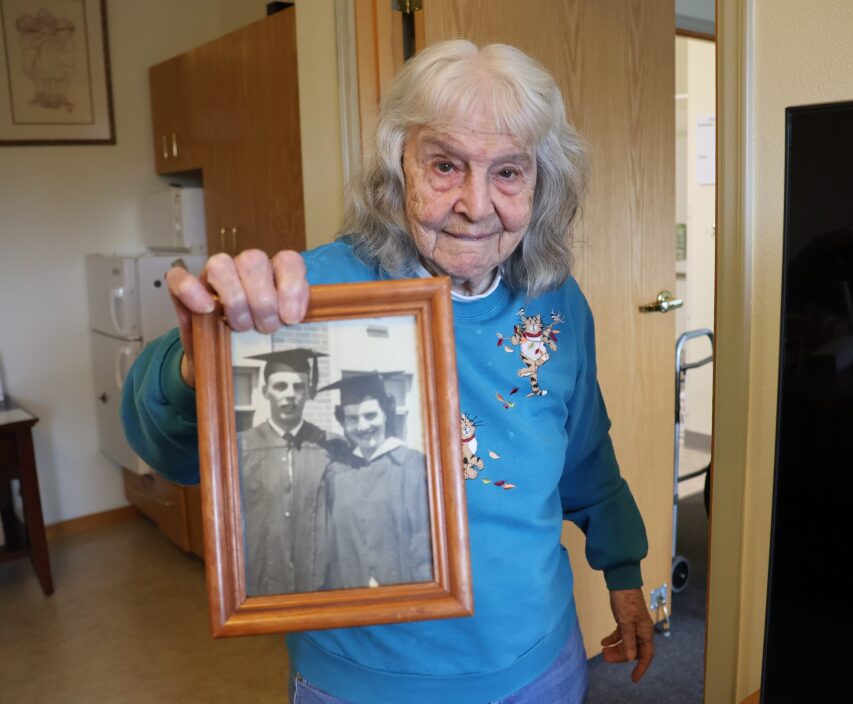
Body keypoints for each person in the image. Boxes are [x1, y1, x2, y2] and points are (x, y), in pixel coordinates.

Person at [122, 39, 653, 704]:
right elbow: (169, 451)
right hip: (364, 685)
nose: (476, 203)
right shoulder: (310, 294)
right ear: (398, 165)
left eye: (509, 172)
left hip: (538, 664)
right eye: (445, 165)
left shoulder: (557, 301)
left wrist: (624, 572)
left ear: (541, 182)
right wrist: (195, 367)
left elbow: (585, 456)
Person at [238, 348, 340, 595]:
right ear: (265, 392)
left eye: (299, 386)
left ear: (308, 392)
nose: (290, 395)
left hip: (318, 577)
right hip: (261, 574)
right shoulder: (241, 446)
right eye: (280, 386)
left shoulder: (331, 445)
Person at [316, 372, 432, 591]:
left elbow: (424, 543)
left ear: (386, 414)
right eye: (352, 418)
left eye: (370, 415)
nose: (362, 426)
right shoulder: (337, 474)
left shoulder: (413, 466)